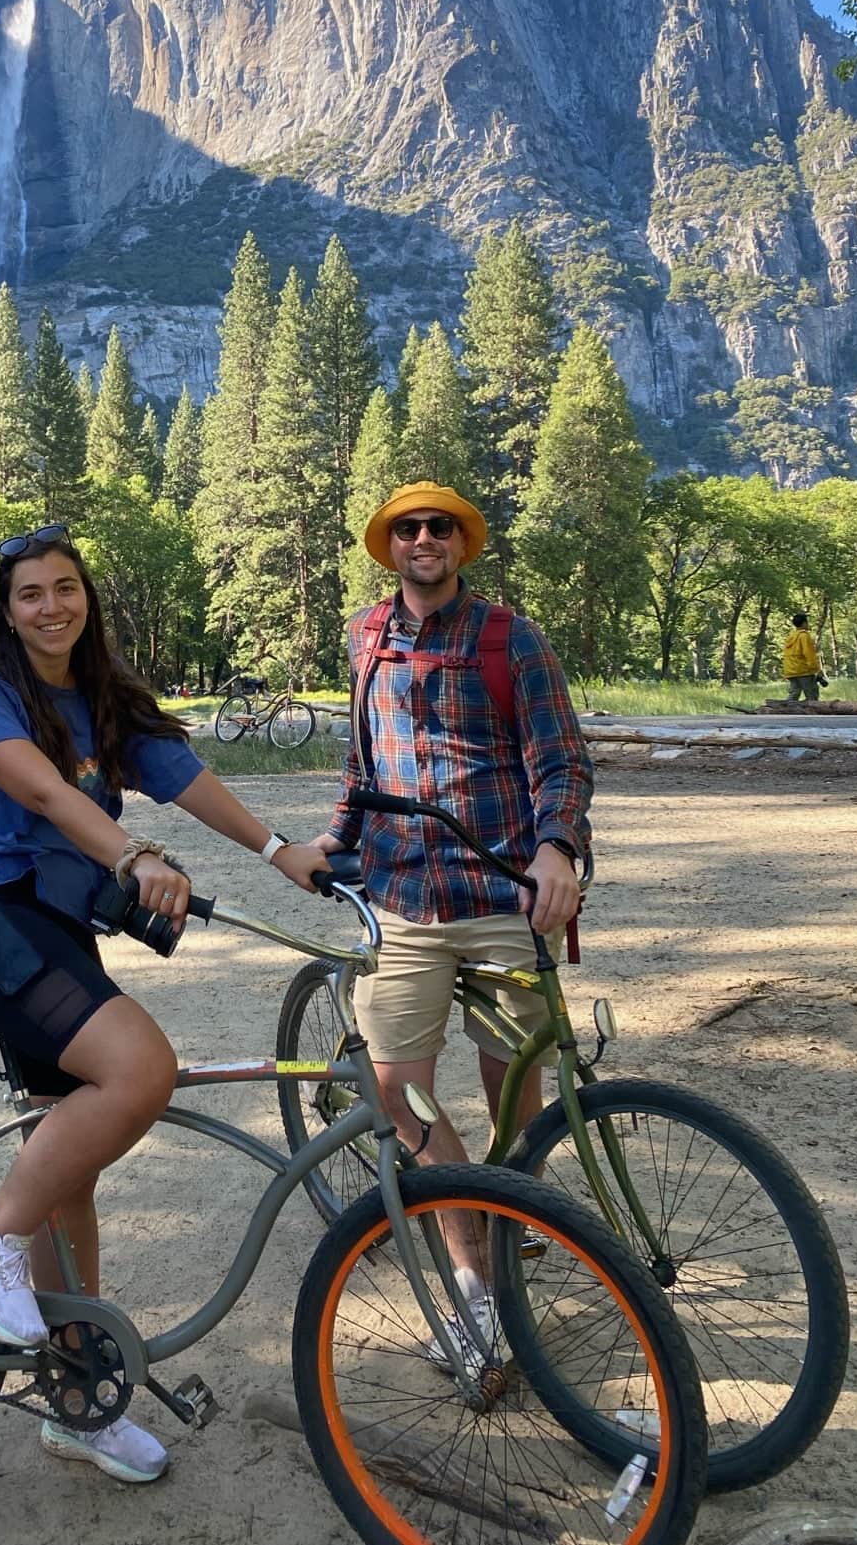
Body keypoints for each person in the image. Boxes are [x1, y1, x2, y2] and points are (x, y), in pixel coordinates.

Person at [0, 523, 322, 1485]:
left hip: (56, 934)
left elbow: (186, 780)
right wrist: (134, 854)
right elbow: (55, 798)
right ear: (5, 608)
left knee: (72, 1171)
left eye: (66, 587)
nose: (51, 605)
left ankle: (77, 1399)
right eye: (30, 593)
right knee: (145, 1068)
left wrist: (281, 853)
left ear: (85, 598)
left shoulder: (104, 698)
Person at [307, 481, 590, 1358]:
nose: (422, 538)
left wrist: (557, 848)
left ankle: (512, 1212)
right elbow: (364, 760)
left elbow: (560, 757)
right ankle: (476, 1282)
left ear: (461, 544)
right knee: (398, 1091)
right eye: (406, 528)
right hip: (401, 896)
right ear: (388, 546)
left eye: (438, 527)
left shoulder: (511, 637)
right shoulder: (365, 636)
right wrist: (335, 834)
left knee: (518, 1086)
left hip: (499, 892)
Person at [782, 612, 822, 704]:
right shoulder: (804, 636)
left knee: (794, 693)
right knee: (812, 694)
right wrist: (816, 669)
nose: (808, 624)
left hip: (791, 671)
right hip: (804, 671)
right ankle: (813, 714)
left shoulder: (791, 637)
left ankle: (784, 710)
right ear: (804, 623)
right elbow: (809, 654)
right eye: (807, 622)